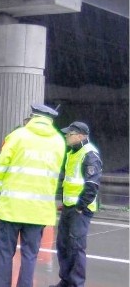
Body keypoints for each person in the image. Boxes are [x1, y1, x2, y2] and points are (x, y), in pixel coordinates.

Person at [0, 104, 66, 287]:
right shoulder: (58, 141)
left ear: (32, 116)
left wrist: (4, 188)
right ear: (50, 121)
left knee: (4, 254)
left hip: (12, 209)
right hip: (39, 211)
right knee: (29, 256)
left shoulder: (17, 136)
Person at [51, 122, 102, 287]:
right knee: (63, 245)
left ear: (80, 136)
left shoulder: (90, 154)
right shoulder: (74, 152)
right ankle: (66, 281)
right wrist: (66, 204)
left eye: (69, 134)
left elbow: (92, 185)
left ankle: (76, 284)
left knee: (76, 247)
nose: (66, 136)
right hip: (69, 207)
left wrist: (80, 206)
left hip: (79, 210)